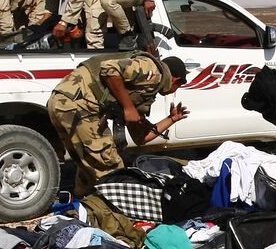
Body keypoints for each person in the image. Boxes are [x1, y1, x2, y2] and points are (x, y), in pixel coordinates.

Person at [47, 52, 190, 194]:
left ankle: (84, 207)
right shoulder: (154, 71)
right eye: (178, 86)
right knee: (112, 168)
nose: (174, 92)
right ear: (176, 80)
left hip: (63, 103)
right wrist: (128, 107)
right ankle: (118, 212)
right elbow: (110, 68)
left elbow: (141, 138)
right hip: (79, 104)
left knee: (89, 167)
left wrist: (171, 119)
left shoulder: (142, 90)